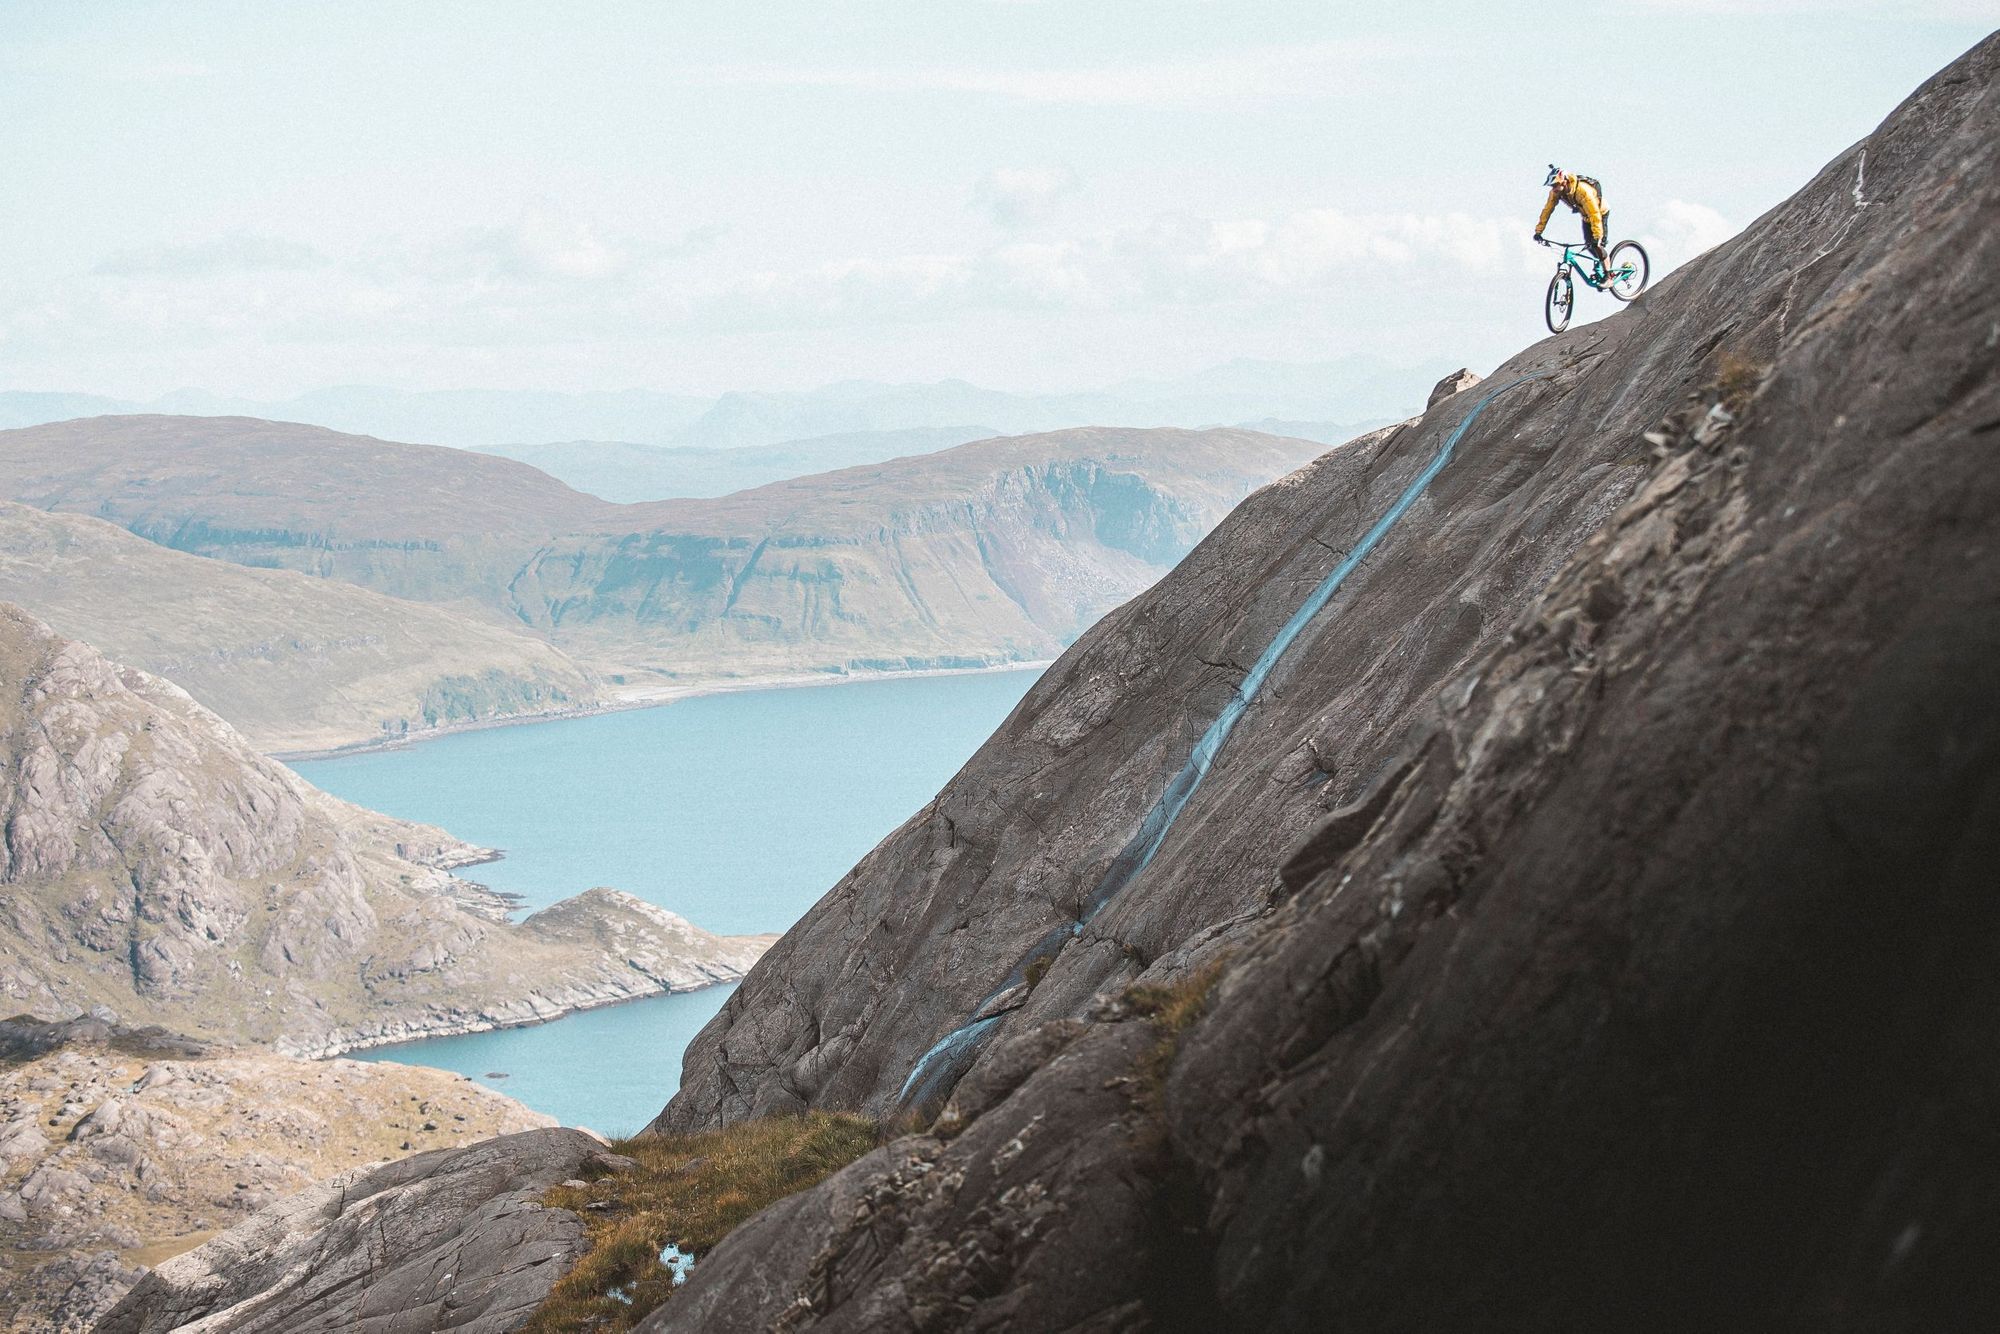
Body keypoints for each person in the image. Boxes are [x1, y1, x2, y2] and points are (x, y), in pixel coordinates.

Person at [1534, 165, 1609, 275]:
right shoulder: (1556, 192)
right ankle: (1599, 268)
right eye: (1552, 186)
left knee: (1597, 245)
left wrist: (1598, 236)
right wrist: (1538, 231)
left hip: (1600, 213)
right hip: (1586, 216)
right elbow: (1547, 210)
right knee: (1589, 245)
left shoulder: (1583, 191)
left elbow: (1595, 214)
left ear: (1564, 182)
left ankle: (1609, 275)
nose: (1553, 188)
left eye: (1555, 185)